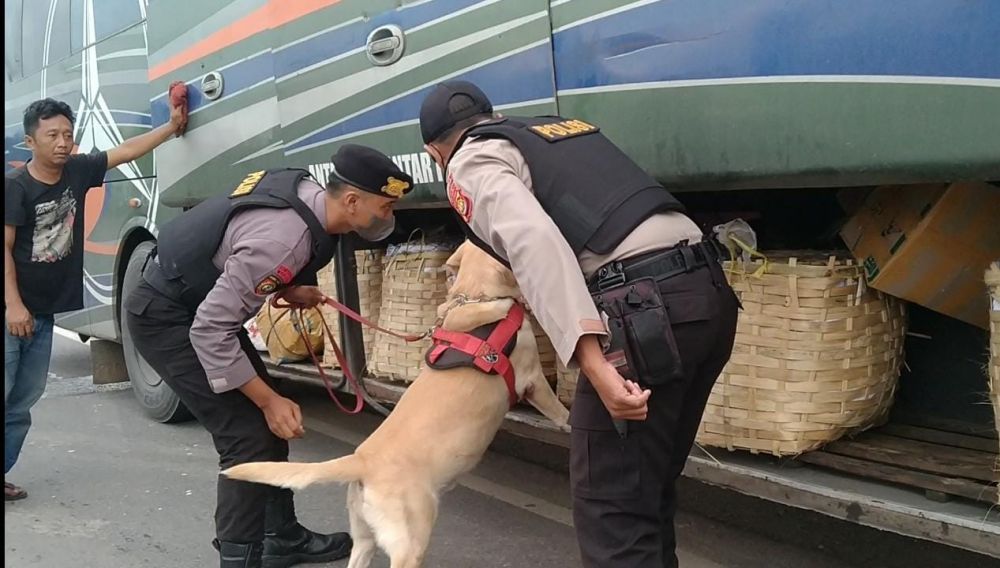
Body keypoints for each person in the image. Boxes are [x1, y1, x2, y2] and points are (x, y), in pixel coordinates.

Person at [418, 81, 739, 568]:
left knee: (611, 509)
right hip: (706, 292)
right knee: (644, 491)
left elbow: (533, 242)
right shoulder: (554, 130)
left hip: (645, 310)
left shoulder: (469, 159)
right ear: (492, 115)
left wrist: (592, 360)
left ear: (433, 154)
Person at [123, 144, 413, 568]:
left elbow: (240, 249)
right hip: (167, 318)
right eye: (385, 207)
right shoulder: (283, 242)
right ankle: (239, 558)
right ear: (352, 201)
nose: (388, 216)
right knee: (247, 436)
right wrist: (268, 400)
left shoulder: (309, 197)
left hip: (196, 307)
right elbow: (210, 329)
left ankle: (280, 537)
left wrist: (286, 288)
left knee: (267, 425)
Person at [5, 96, 188, 502]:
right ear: (30, 141)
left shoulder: (77, 170)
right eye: (52, 135)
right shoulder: (15, 187)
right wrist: (13, 305)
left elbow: (125, 151)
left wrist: (171, 127)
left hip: (43, 312)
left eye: (67, 134)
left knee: (22, 401)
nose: (62, 142)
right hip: (10, 310)